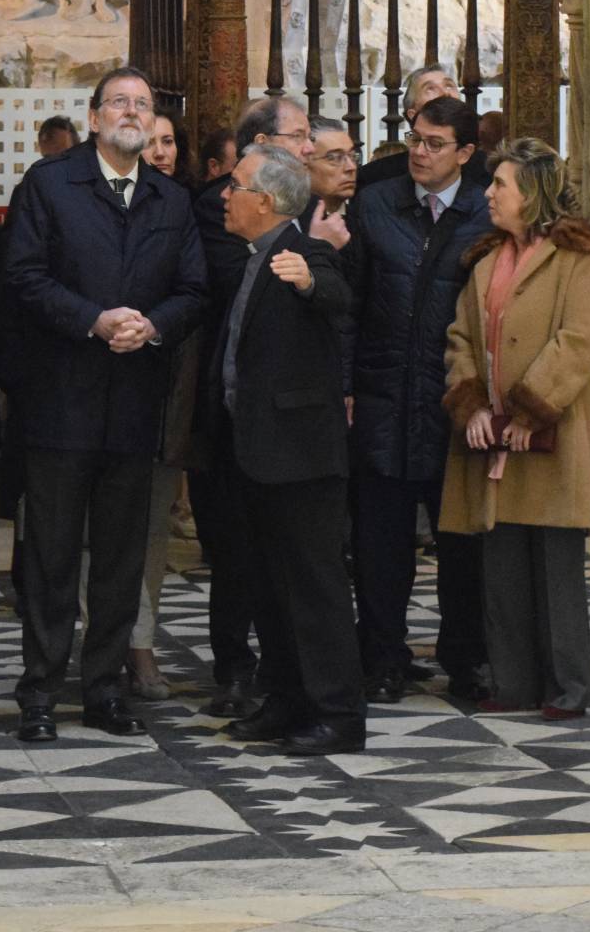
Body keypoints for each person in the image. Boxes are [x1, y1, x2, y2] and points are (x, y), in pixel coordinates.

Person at [1, 67, 206, 741]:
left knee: (120, 559)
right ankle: (39, 691)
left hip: (134, 403)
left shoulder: (171, 199)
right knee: (52, 556)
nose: (132, 112)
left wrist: (153, 325)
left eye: (143, 104)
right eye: (119, 102)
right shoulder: (49, 183)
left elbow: (193, 289)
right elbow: (23, 276)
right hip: (61, 401)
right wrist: (92, 319)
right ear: (93, 118)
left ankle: (104, 691)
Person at [440, 138, 590, 719]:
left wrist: (529, 411)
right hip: (494, 440)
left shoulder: (577, 260)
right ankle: (512, 682)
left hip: (549, 437)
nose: (488, 194)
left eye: (500, 185)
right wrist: (473, 406)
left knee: (556, 566)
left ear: (531, 194)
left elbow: (579, 342)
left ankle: (568, 687)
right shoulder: (486, 260)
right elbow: (461, 338)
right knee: (502, 562)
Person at [208, 144, 366, 754]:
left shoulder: (304, 252)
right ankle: (285, 700)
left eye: (236, 186)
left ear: (266, 201)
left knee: (314, 589)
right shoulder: (253, 257)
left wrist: (310, 280)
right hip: (257, 454)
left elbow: (335, 293)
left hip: (302, 458)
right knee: (269, 588)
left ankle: (338, 713)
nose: (225, 195)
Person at [344, 95, 493, 704]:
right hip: (382, 393)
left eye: (435, 144)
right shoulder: (376, 203)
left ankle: (466, 658)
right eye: (415, 139)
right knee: (380, 542)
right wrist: (347, 383)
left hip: (452, 400)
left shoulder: (485, 212)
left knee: (461, 542)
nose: (420, 152)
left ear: (465, 153)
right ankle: (382, 658)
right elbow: (351, 301)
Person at [186, 96, 313, 717]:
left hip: (295, 415)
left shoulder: (312, 214)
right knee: (235, 550)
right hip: (233, 407)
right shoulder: (220, 208)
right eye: (298, 136)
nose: (308, 147)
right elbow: (228, 282)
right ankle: (235, 668)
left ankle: (291, 673)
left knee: (290, 555)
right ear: (262, 144)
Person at [130, 112, 200, 700]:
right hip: (110, 379)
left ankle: (140, 643)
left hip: (173, 388)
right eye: (150, 142)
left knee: (152, 528)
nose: (160, 152)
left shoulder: (193, 210)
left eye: (169, 141)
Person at [354, 67, 490, 194]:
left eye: (449, 85)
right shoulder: (376, 179)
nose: (445, 93)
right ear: (413, 115)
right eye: (430, 89)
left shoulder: (489, 172)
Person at [305, 115, 359, 216]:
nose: (351, 167)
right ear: (304, 165)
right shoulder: (287, 221)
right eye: (334, 157)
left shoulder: (364, 219)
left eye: (352, 156)